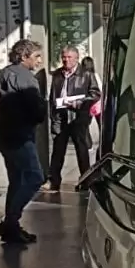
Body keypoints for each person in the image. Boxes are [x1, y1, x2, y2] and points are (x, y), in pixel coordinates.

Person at [0, 39, 48, 244]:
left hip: (3, 136)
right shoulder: (26, 77)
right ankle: (10, 221)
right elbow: (36, 109)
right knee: (34, 177)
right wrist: (43, 109)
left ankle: (12, 228)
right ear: (24, 56)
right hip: (20, 136)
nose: (39, 61)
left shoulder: (4, 73)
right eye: (36, 56)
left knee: (16, 180)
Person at [47, 46, 102, 191]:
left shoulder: (86, 75)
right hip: (61, 117)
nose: (66, 60)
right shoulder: (57, 74)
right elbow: (53, 96)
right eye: (64, 57)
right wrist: (53, 117)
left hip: (78, 118)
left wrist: (81, 102)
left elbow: (96, 93)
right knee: (58, 151)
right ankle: (54, 180)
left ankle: (85, 180)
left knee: (81, 150)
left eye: (69, 57)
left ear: (77, 58)